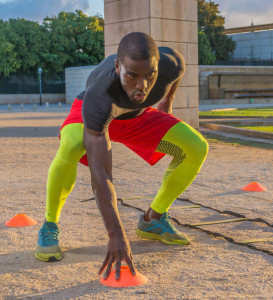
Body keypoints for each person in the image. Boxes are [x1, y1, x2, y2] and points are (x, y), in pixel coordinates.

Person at [34, 32, 208, 279]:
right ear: (117, 67)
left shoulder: (171, 64)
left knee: (197, 147)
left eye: (150, 75)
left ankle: (153, 219)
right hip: (96, 114)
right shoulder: (99, 93)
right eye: (132, 76)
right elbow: (101, 172)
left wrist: (167, 99)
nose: (142, 85)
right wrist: (116, 234)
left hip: (136, 115)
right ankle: (49, 224)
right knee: (71, 146)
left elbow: (175, 75)